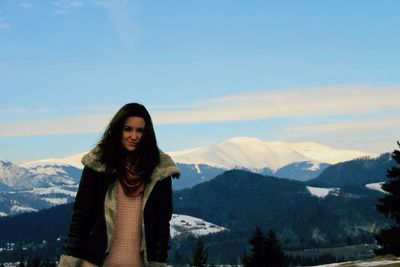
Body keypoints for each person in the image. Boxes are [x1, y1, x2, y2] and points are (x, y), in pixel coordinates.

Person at [58, 103, 180, 267]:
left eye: (140, 130)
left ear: (147, 133)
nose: (134, 136)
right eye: (128, 129)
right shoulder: (98, 165)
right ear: (118, 130)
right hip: (95, 262)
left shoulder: (160, 170)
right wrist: (70, 259)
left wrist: (158, 262)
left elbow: (162, 224)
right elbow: (81, 218)